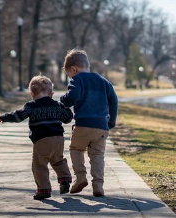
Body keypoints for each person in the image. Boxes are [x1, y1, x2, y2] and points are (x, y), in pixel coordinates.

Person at [0, 75, 73, 200]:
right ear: (51, 93)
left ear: (31, 93)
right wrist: (67, 109)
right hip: (58, 139)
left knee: (39, 165)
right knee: (58, 160)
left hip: (42, 140)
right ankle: (64, 179)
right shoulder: (57, 105)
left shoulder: (31, 106)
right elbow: (67, 118)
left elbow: (19, 116)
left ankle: (44, 190)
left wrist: (5, 117)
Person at [60, 48, 118, 197]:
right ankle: (98, 186)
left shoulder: (77, 79)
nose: (70, 77)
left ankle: (80, 177)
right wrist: (111, 121)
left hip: (83, 124)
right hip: (101, 126)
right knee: (97, 155)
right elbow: (114, 100)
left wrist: (63, 100)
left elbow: (72, 97)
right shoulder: (103, 80)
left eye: (69, 75)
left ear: (73, 69)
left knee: (76, 149)